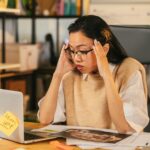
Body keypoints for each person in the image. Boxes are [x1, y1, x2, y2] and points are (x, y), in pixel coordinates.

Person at [38, 15, 149, 133]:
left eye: (83, 51)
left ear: (104, 50)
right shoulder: (70, 75)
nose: (77, 58)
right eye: (72, 50)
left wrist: (106, 75)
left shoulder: (129, 70)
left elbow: (124, 129)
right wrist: (58, 74)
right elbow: (45, 119)